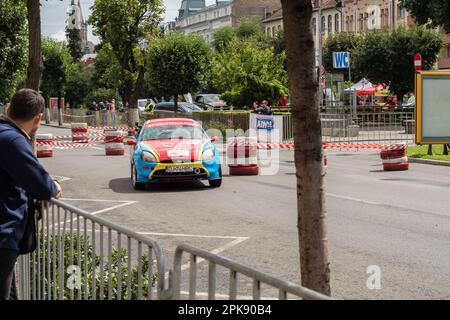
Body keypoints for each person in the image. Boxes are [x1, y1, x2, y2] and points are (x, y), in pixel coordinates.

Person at [0, 89, 62, 300]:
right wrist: (54, 186)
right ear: (38, 119)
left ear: (9, 108)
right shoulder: (12, 141)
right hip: (3, 236)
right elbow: (42, 186)